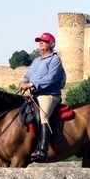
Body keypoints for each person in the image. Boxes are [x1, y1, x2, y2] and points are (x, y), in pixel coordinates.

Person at [19, 32, 67, 163]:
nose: (40, 43)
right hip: (35, 94)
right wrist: (23, 82)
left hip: (49, 95)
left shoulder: (55, 60)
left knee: (43, 116)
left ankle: (43, 151)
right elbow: (27, 76)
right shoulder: (36, 61)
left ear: (52, 44)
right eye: (39, 41)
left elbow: (50, 78)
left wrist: (32, 84)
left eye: (44, 41)